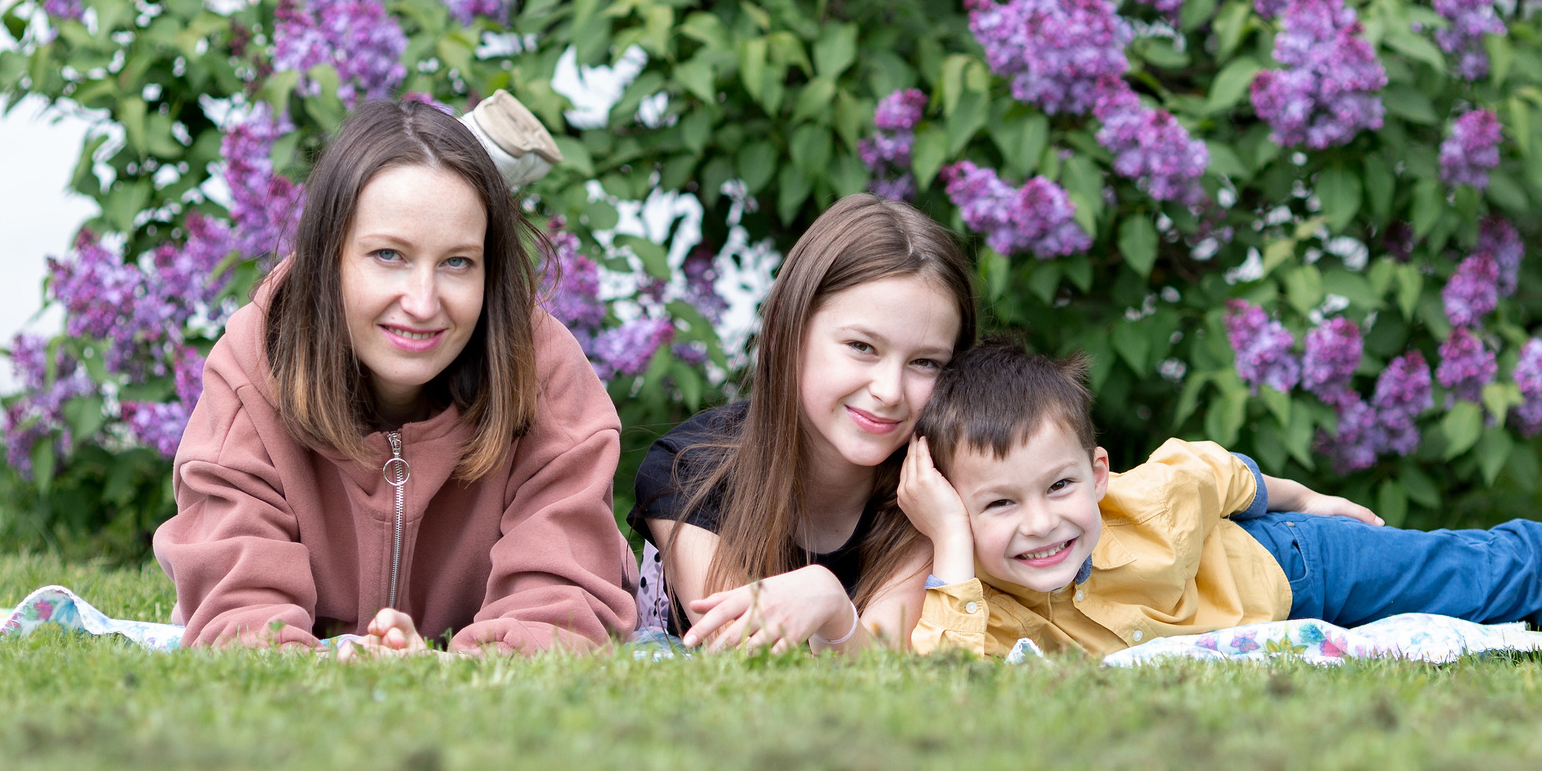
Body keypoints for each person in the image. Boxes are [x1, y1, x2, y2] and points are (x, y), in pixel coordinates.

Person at [895, 339, 1542, 659]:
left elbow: (1227, 474)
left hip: (1293, 562)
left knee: (1492, 575)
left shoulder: (1149, 498)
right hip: (1276, 627)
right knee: (1486, 641)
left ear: (1098, 473)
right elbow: (946, 684)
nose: (1040, 524)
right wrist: (947, 543)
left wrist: (1310, 499)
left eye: (1059, 488)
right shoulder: (984, 612)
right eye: (996, 507)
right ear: (948, 508)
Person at [153, 96, 635, 654]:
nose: (423, 302)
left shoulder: (542, 370)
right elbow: (237, 612)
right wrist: (321, 663)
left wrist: (452, 670)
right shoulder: (256, 364)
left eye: (457, 262)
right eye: (388, 255)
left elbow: (563, 602)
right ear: (328, 259)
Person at [632, 194, 978, 652]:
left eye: (926, 362)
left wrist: (834, 609)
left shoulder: (931, 493)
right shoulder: (689, 469)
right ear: (782, 334)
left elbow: (887, 676)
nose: (890, 390)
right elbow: (741, 652)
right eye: (862, 346)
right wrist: (829, 604)